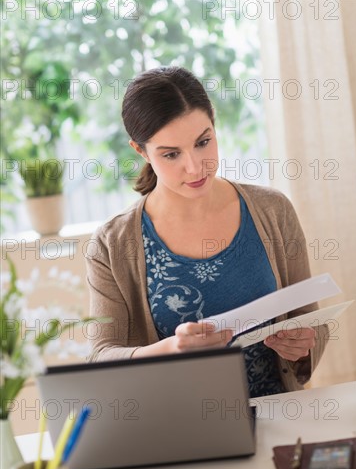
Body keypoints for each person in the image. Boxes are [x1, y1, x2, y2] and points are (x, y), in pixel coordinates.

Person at [85, 66, 327, 396]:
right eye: (171, 154)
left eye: (203, 142)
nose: (195, 166)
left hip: (280, 416)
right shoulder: (111, 245)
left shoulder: (273, 210)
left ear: (214, 124)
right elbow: (100, 358)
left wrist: (304, 342)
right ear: (140, 151)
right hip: (182, 431)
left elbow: (310, 322)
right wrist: (170, 350)